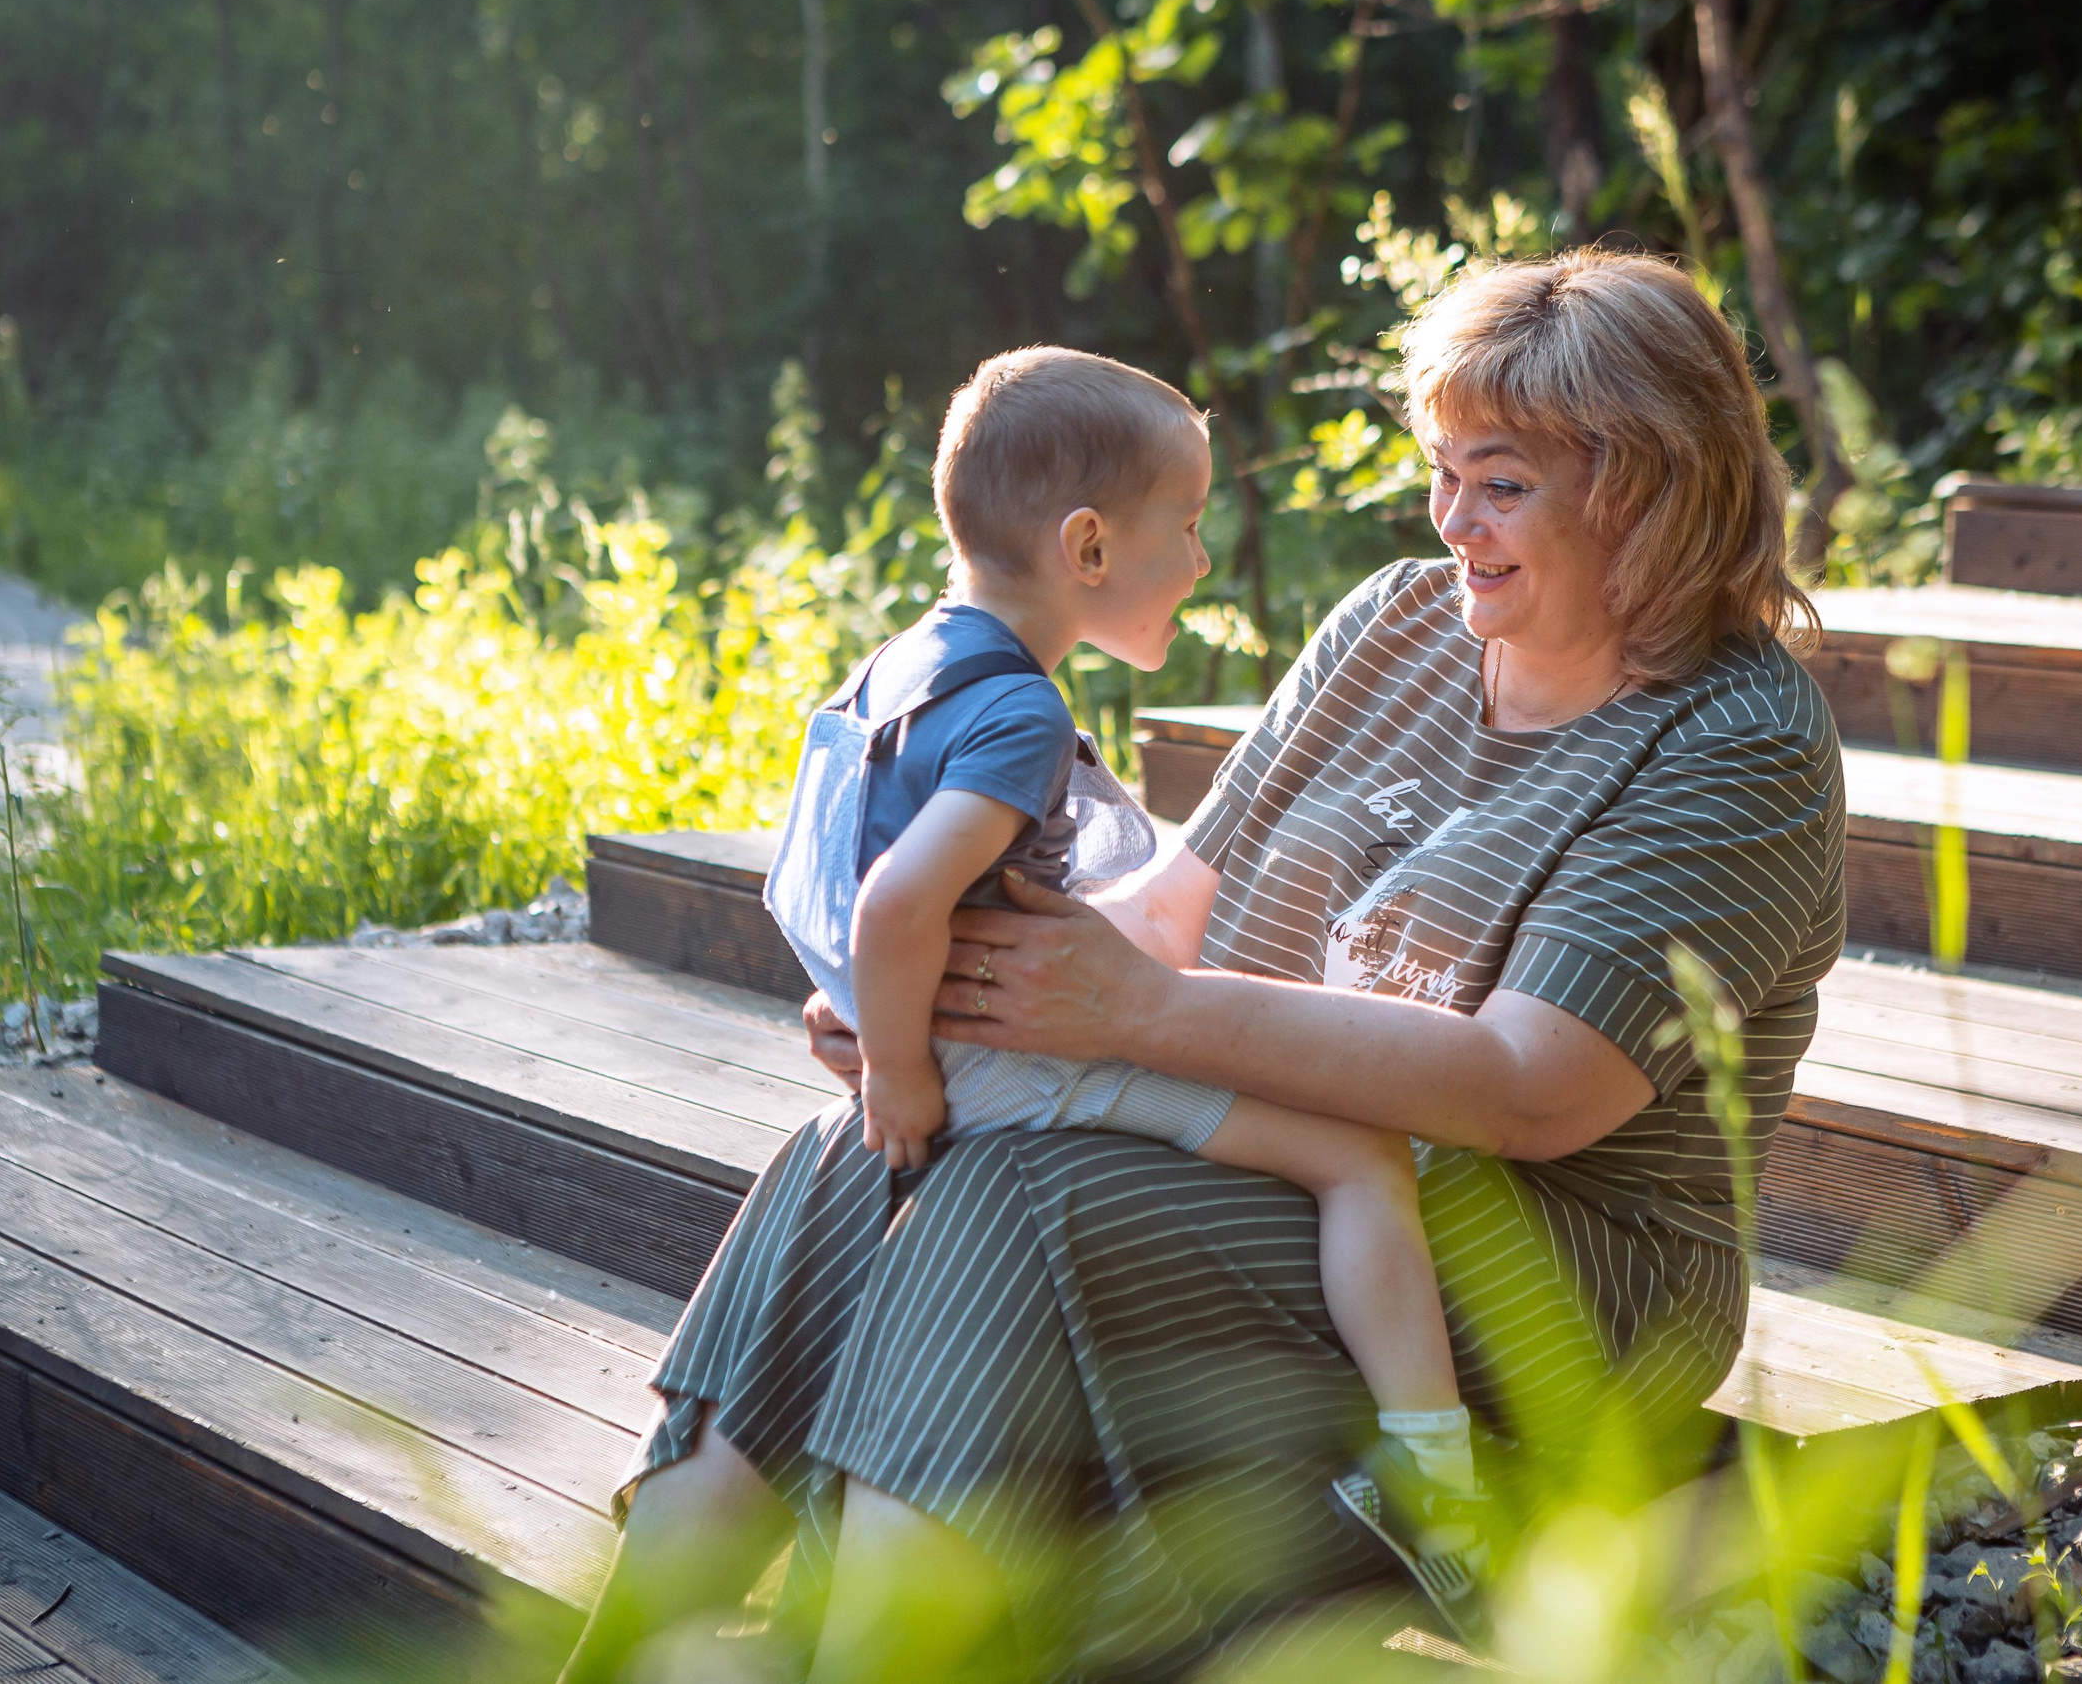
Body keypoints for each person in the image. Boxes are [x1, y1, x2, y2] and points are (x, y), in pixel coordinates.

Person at [566, 249, 1846, 1684]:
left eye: (1503, 484)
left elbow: (1531, 1088)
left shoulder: (1737, 739)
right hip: (1314, 1159)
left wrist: (1144, 1014)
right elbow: (1171, 907)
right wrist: (947, 1000)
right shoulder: (1395, 623)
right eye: (1443, 473)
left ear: (1649, 488)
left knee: (1011, 1198)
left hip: (1556, 1262)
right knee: (858, 1150)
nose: (1452, 520)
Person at [762, 346, 1494, 1623]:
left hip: (960, 1038)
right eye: (1190, 527)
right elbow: (895, 902)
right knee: (1361, 1156)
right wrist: (900, 1069)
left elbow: (849, 876)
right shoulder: (1023, 713)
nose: (1204, 561)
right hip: (1008, 1064)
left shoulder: (896, 666)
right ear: (1088, 547)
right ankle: (1439, 1478)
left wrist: (883, 1017)